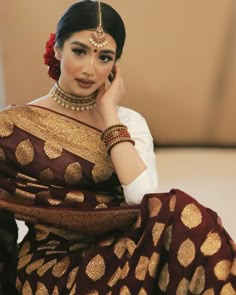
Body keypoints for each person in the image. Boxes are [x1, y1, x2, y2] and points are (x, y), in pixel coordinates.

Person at [0, 1, 235, 294]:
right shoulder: (13, 125)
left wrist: (109, 114)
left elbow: (146, 201)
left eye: (104, 57)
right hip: (49, 266)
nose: (89, 69)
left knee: (180, 212)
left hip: (122, 251)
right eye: (79, 51)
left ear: (115, 66)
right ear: (57, 49)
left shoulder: (128, 122)